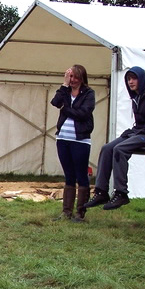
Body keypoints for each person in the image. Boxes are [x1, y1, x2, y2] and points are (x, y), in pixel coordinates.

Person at [84, 66, 145, 210]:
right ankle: (101, 192)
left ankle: (121, 194)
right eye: (128, 79)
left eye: (134, 78)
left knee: (120, 149)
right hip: (137, 131)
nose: (131, 82)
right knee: (106, 148)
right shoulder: (137, 96)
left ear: (141, 79)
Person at [50, 65, 95, 222]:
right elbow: (55, 102)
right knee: (69, 175)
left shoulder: (89, 93)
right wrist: (64, 85)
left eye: (76, 77)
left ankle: (80, 213)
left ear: (82, 78)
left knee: (81, 175)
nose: (73, 80)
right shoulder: (66, 91)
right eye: (70, 77)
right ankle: (66, 212)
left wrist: (65, 108)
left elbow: (83, 114)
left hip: (80, 140)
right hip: (63, 139)